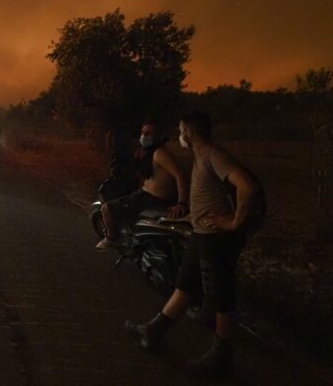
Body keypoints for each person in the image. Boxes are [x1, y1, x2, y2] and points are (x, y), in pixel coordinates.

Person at [125, 110, 262, 379]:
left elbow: (248, 187)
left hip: (217, 240)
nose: (179, 136)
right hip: (201, 235)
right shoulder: (201, 157)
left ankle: (221, 358)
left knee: (221, 298)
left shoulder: (213, 155)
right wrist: (190, 216)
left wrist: (233, 223)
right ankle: (153, 331)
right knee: (184, 285)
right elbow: (210, 195)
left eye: (181, 131)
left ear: (188, 132)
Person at [96, 121, 189, 250]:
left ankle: (112, 238)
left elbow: (179, 175)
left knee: (107, 208)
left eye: (148, 133)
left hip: (151, 197)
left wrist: (181, 203)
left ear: (158, 135)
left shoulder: (160, 153)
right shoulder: (149, 152)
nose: (144, 136)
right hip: (148, 193)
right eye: (143, 132)